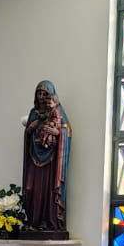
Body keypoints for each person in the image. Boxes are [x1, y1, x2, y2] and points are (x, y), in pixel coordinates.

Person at [22, 80, 71, 231]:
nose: (42, 97)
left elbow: (66, 131)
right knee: (31, 188)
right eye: (39, 93)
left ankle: (49, 222)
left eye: (45, 94)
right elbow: (28, 132)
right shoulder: (33, 113)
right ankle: (33, 221)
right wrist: (30, 129)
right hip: (34, 156)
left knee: (48, 190)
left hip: (51, 160)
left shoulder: (57, 111)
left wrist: (56, 132)